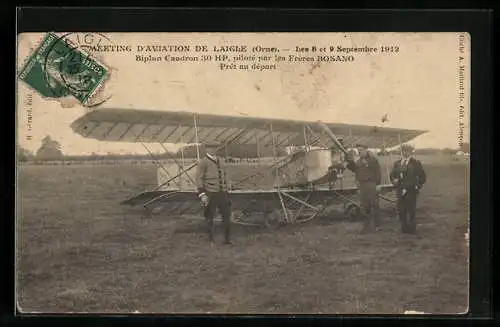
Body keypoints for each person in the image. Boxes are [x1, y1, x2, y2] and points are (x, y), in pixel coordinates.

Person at [194, 144, 232, 245]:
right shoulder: (203, 162)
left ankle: (227, 240)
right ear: (206, 149)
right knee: (209, 217)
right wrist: (202, 194)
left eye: (214, 147)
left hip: (222, 193)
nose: (212, 149)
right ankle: (211, 240)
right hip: (210, 193)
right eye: (210, 148)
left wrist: (227, 189)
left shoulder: (221, 160)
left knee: (227, 216)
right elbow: (198, 179)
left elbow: (226, 175)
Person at [343, 144, 383, 233]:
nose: (360, 151)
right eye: (358, 150)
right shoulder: (359, 161)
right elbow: (355, 169)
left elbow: (377, 172)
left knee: (374, 205)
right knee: (365, 207)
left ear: (366, 150)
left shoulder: (372, 160)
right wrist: (348, 164)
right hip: (362, 185)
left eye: (361, 150)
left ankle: (378, 225)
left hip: (371, 184)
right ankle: (367, 226)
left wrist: (378, 184)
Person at [390, 143, 427, 234]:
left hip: (411, 190)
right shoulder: (397, 163)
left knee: (411, 210)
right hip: (400, 189)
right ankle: (404, 228)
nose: (405, 153)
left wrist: (417, 186)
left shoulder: (416, 163)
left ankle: (412, 229)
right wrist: (394, 181)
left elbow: (422, 177)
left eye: (407, 150)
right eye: (403, 151)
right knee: (401, 210)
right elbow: (392, 175)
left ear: (411, 152)